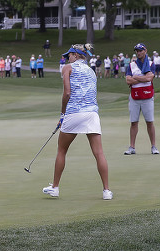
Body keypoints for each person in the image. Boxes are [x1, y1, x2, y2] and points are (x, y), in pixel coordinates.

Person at [42, 43, 112, 200]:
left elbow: (67, 93)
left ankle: (55, 188)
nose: (68, 58)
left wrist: (62, 114)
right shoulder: (92, 71)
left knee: (62, 150)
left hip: (74, 113)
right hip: (92, 114)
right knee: (99, 153)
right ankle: (106, 191)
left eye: (69, 55)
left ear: (75, 55)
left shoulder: (67, 68)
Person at [124, 43, 159, 155]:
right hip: (134, 97)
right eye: (137, 51)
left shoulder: (151, 64)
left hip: (148, 96)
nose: (138, 52)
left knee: (149, 122)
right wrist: (143, 79)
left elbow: (149, 78)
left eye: (140, 50)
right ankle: (132, 147)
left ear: (145, 51)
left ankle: (153, 147)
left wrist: (136, 77)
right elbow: (128, 81)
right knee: (134, 122)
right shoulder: (131, 65)